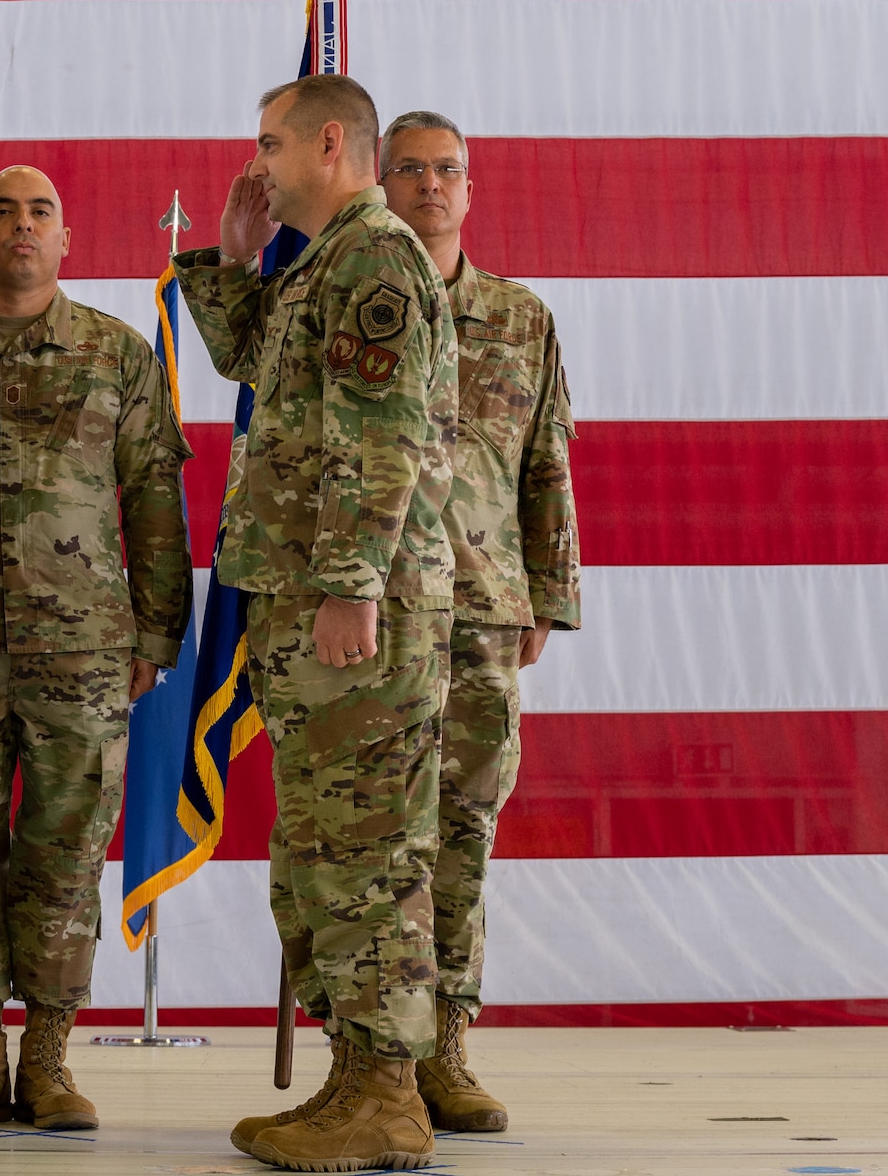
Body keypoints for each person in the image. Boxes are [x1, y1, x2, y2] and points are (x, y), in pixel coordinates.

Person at [174, 76, 457, 1172]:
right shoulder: (320, 263)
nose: (257, 163)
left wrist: (348, 581)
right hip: (303, 598)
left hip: (352, 610)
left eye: (269, 144)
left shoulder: (375, 259)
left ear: (328, 143)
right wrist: (232, 258)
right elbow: (252, 367)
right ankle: (356, 1074)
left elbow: (378, 437)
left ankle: (387, 1092)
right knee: (319, 850)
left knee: (368, 847)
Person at [0, 166, 194, 1132]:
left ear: (66, 238)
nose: (21, 225)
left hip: (85, 647)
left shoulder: (115, 353)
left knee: (68, 849)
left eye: (40, 212)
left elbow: (155, 495)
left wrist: (159, 629)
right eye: (1, 209)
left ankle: (48, 1054)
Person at [382, 111, 580, 1132]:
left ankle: (445, 1047)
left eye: (445, 170)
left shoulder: (517, 315)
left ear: (470, 188)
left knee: (458, 835)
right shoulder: (350, 300)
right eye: (408, 169)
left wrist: (546, 591)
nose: (428, 185)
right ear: (377, 183)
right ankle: (368, 1053)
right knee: (373, 839)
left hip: (479, 611)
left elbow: (542, 458)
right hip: (364, 616)